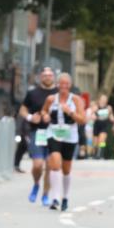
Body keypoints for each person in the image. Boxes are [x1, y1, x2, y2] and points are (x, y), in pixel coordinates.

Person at [41, 73, 86, 211]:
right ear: (57, 84)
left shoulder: (76, 100)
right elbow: (43, 111)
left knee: (66, 169)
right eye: (61, 83)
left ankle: (65, 197)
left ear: (70, 85)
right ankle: (55, 198)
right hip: (53, 133)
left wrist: (70, 112)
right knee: (55, 162)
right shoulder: (51, 99)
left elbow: (82, 120)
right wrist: (45, 116)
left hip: (69, 136)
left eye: (66, 84)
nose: (63, 86)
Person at [19, 67, 58, 205]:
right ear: (41, 77)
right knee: (37, 165)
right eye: (45, 75)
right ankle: (36, 184)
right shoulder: (33, 93)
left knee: (49, 165)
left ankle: (45, 195)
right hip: (38, 132)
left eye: (50, 75)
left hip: (54, 132)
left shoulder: (58, 93)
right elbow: (22, 110)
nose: (47, 77)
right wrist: (30, 117)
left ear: (53, 77)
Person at [91, 94, 113, 159]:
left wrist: (111, 116)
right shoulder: (96, 107)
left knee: (102, 140)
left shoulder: (108, 108)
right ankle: (94, 153)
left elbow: (111, 117)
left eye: (105, 99)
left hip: (104, 125)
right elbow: (92, 116)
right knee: (95, 142)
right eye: (102, 99)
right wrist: (95, 115)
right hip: (97, 125)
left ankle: (100, 154)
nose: (103, 100)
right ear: (99, 99)